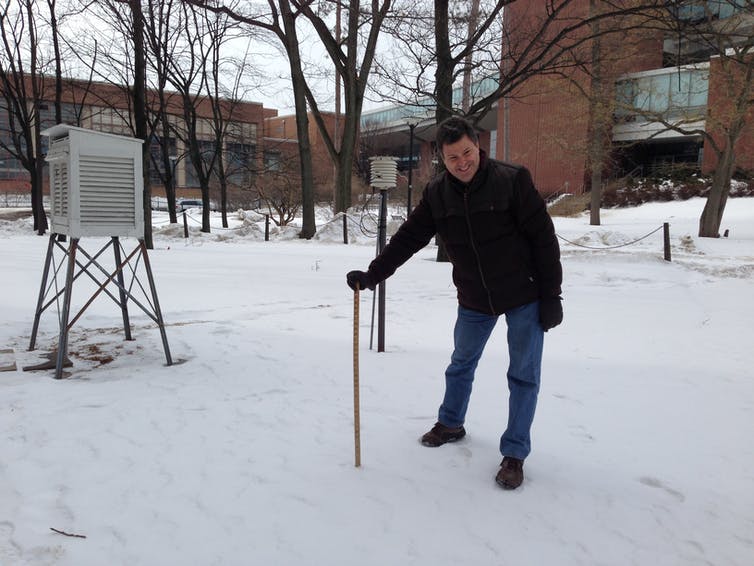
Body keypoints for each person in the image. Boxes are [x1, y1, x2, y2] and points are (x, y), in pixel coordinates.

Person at [346, 116, 563, 489]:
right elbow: (408, 238)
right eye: (452, 158)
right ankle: (451, 422)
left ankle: (514, 453)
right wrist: (373, 275)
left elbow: (544, 239)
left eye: (466, 153)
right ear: (440, 160)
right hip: (474, 296)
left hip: (523, 293)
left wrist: (551, 295)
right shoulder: (437, 194)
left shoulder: (512, 180)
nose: (462, 162)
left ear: (476, 146)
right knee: (460, 363)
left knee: (523, 376)